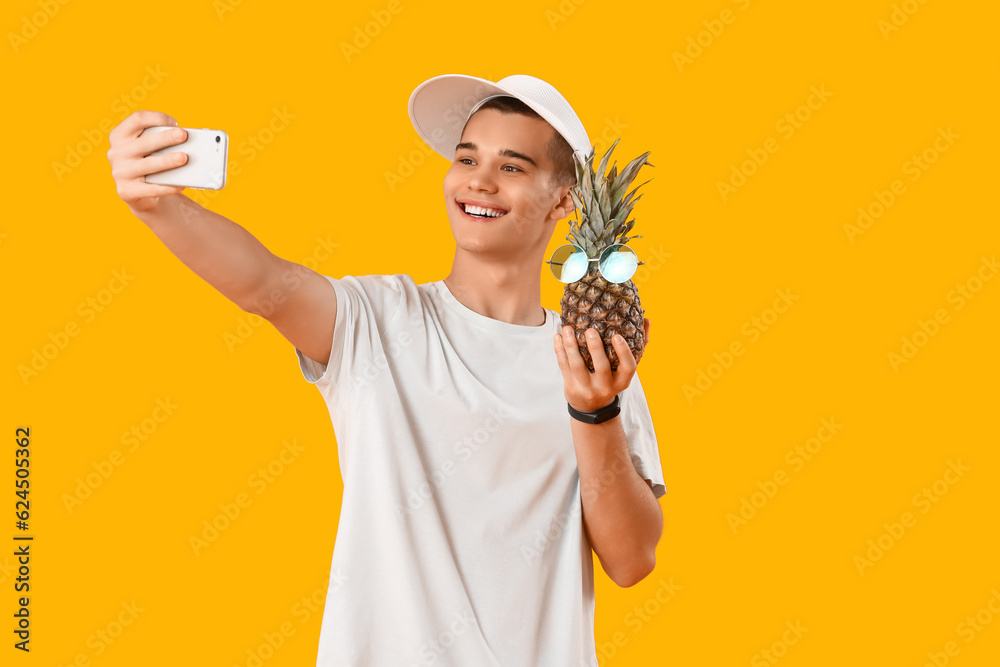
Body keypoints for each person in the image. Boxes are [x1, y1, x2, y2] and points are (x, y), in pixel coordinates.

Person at [107, 73, 666, 667]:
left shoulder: (595, 359)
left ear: (563, 200)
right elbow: (263, 282)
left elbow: (631, 561)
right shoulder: (378, 320)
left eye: (512, 167)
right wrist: (159, 207)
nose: (477, 180)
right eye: (466, 157)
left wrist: (595, 411)